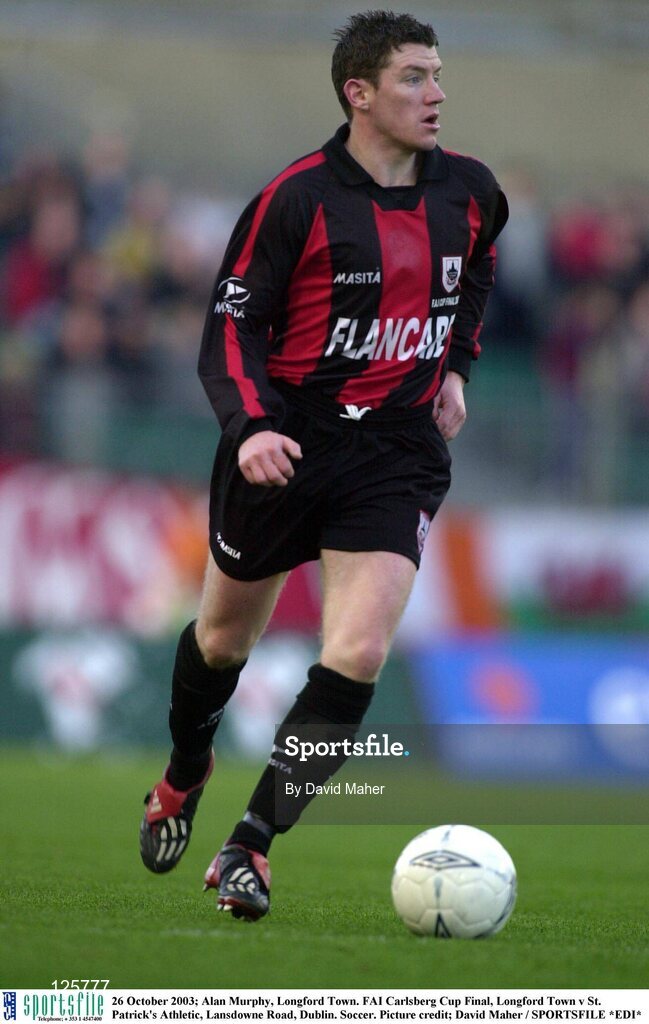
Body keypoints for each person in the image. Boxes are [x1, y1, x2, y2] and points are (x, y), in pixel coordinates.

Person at [139, 10, 508, 921]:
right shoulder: (295, 198)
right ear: (360, 93)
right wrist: (252, 426)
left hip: (395, 449)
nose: (436, 93)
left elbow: (479, 272)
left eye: (437, 74)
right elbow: (230, 328)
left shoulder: (470, 191)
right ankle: (187, 768)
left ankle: (250, 847)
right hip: (286, 443)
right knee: (222, 641)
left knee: (357, 650)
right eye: (415, 77)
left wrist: (455, 366)